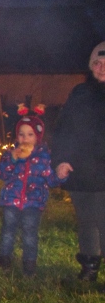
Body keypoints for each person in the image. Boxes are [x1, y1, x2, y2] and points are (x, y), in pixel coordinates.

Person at [53, 41, 105, 283]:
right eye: (97, 63)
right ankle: (90, 267)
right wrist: (61, 159)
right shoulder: (80, 93)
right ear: (91, 66)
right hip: (80, 169)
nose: (102, 67)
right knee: (86, 220)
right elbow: (63, 128)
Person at [0, 109, 62, 276]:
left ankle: (29, 265)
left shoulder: (45, 157)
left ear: (38, 137)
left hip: (33, 202)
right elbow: (1, 173)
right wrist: (12, 160)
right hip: (11, 200)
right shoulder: (12, 154)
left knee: (30, 233)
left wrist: (61, 175)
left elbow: (51, 180)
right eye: (21, 134)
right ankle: (4, 261)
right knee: (8, 231)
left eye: (30, 134)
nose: (25, 138)